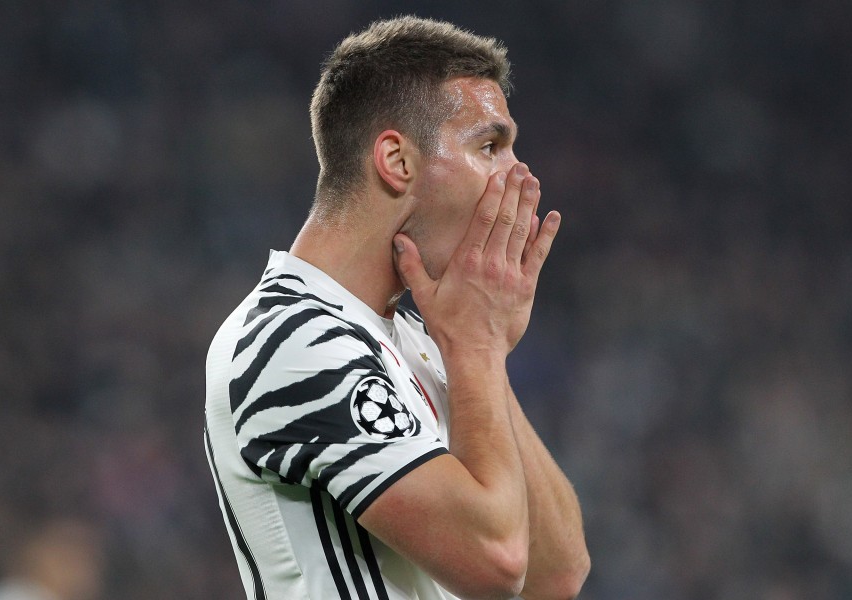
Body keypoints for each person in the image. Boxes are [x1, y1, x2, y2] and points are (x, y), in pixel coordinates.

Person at [204, 15, 590, 600]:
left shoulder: (424, 339)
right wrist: (477, 347)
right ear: (397, 161)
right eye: (489, 146)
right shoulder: (290, 338)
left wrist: (476, 348)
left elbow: (556, 576)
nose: (519, 174)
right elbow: (496, 562)